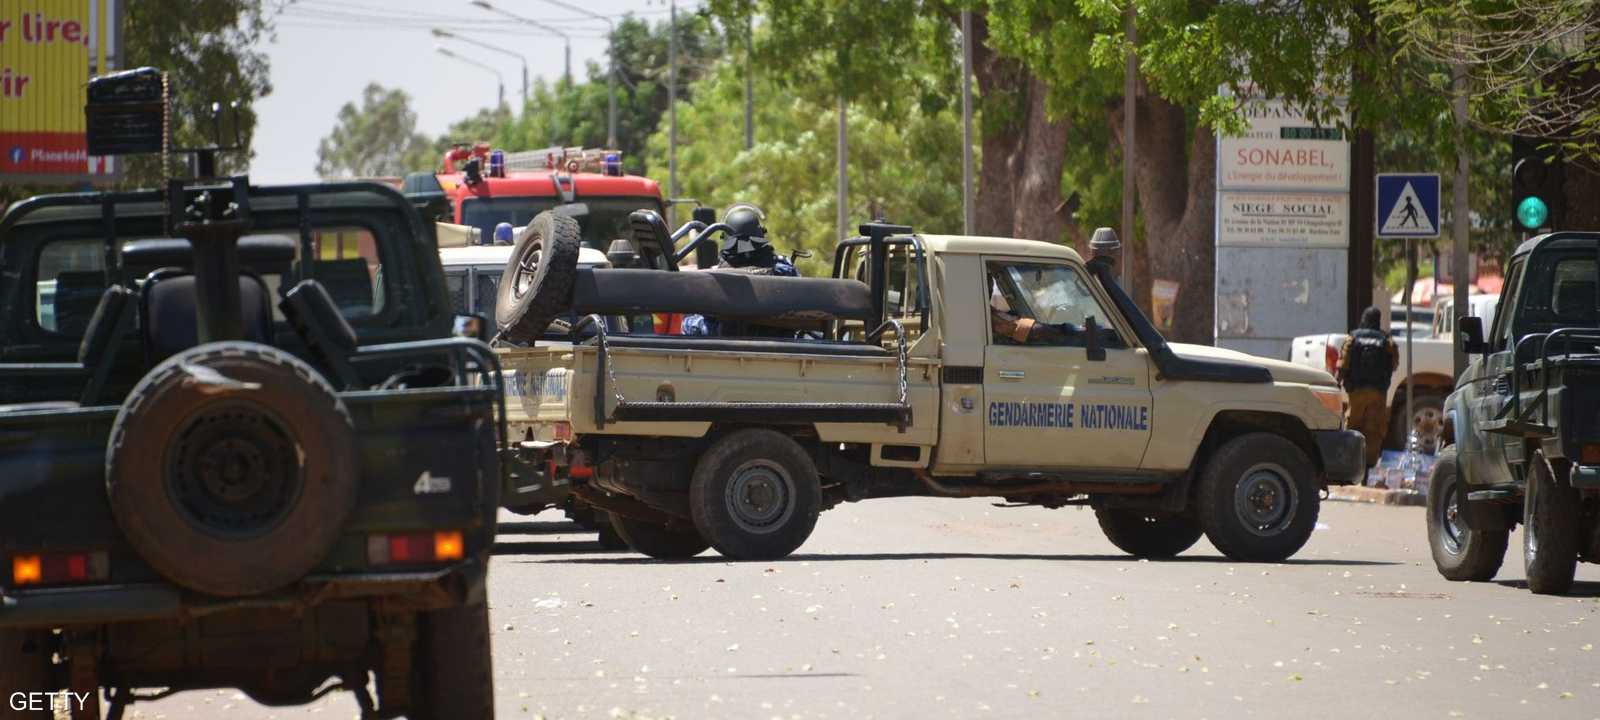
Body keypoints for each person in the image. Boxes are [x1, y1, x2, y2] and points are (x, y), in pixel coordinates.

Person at [682, 204, 799, 336]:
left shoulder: (714, 278)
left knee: (689, 322)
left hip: (722, 342)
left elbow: (706, 319)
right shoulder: (785, 271)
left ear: (726, 239)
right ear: (760, 234)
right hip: (778, 342)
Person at [1338, 306, 1399, 473]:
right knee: (1374, 429)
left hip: (1356, 390)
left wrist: (1339, 381)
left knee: (1353, 426)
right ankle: (1369, 466)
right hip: (1378, 392)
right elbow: (1394, 364)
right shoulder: (1385, 340)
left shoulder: (1353, 337)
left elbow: (1343, 363)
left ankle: (1350, 464)